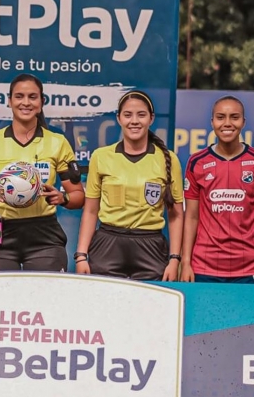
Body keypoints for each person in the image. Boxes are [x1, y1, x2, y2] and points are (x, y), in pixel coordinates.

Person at [0, 73, 85, 271]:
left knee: (45, 290)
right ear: (9, 101)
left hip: (44, 233)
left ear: (42, 102)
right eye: (19, 96)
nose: (26, 103)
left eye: (32, 97)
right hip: (0, 232)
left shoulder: (57, 142)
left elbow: (78, 197)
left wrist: (63, 198)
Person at [74, 90, 184, 280]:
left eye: (141, 115)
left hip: (151, 247)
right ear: (118, 118)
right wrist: (81, 255)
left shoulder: (169, 159)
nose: (134, 121)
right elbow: (91, 211)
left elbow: (176, 215)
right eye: (127, 115)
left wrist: (175, 259)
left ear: (151, 119)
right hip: (108, 245)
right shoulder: (101, 156)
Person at [180, 95, 254, 284]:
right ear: (212, 122)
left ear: (243, 122)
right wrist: (186, 262)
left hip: (251, 266)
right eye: (220, 117)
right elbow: (192, 216)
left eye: (234, 117)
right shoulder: (197, 162)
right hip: (204, 265)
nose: (227, 123)